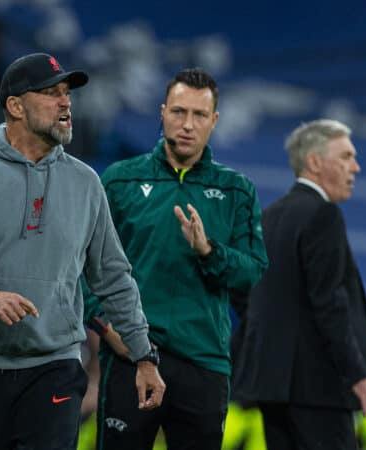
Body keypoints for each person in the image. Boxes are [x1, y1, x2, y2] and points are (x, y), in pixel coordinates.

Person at [0, 52, 165, 450]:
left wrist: (145, 356)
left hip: (53, 368)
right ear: (15, 106)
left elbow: (113, 277)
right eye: (51, 93)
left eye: (67, 94)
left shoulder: (85, 183)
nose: (65, 103)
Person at [85, 68, 268, 450]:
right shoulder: (120, 180)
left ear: (214, 121)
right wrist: (105, 327)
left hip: (203, 360)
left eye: (199, 115)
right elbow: (81, 265)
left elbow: (252, 272)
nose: (188, 124)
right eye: (179, 112)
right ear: (163, 112)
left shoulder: (236, 190)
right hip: (131, 356)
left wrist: (209, 251)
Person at [233, 119, 366, 450]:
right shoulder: (322, 215)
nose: (356, 167)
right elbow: (329, 301)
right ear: (314, 162)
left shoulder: (268, 217)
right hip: (319, 390)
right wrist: (358, 376)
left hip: (273, 388)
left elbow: (246, 294)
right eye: (346, 156)